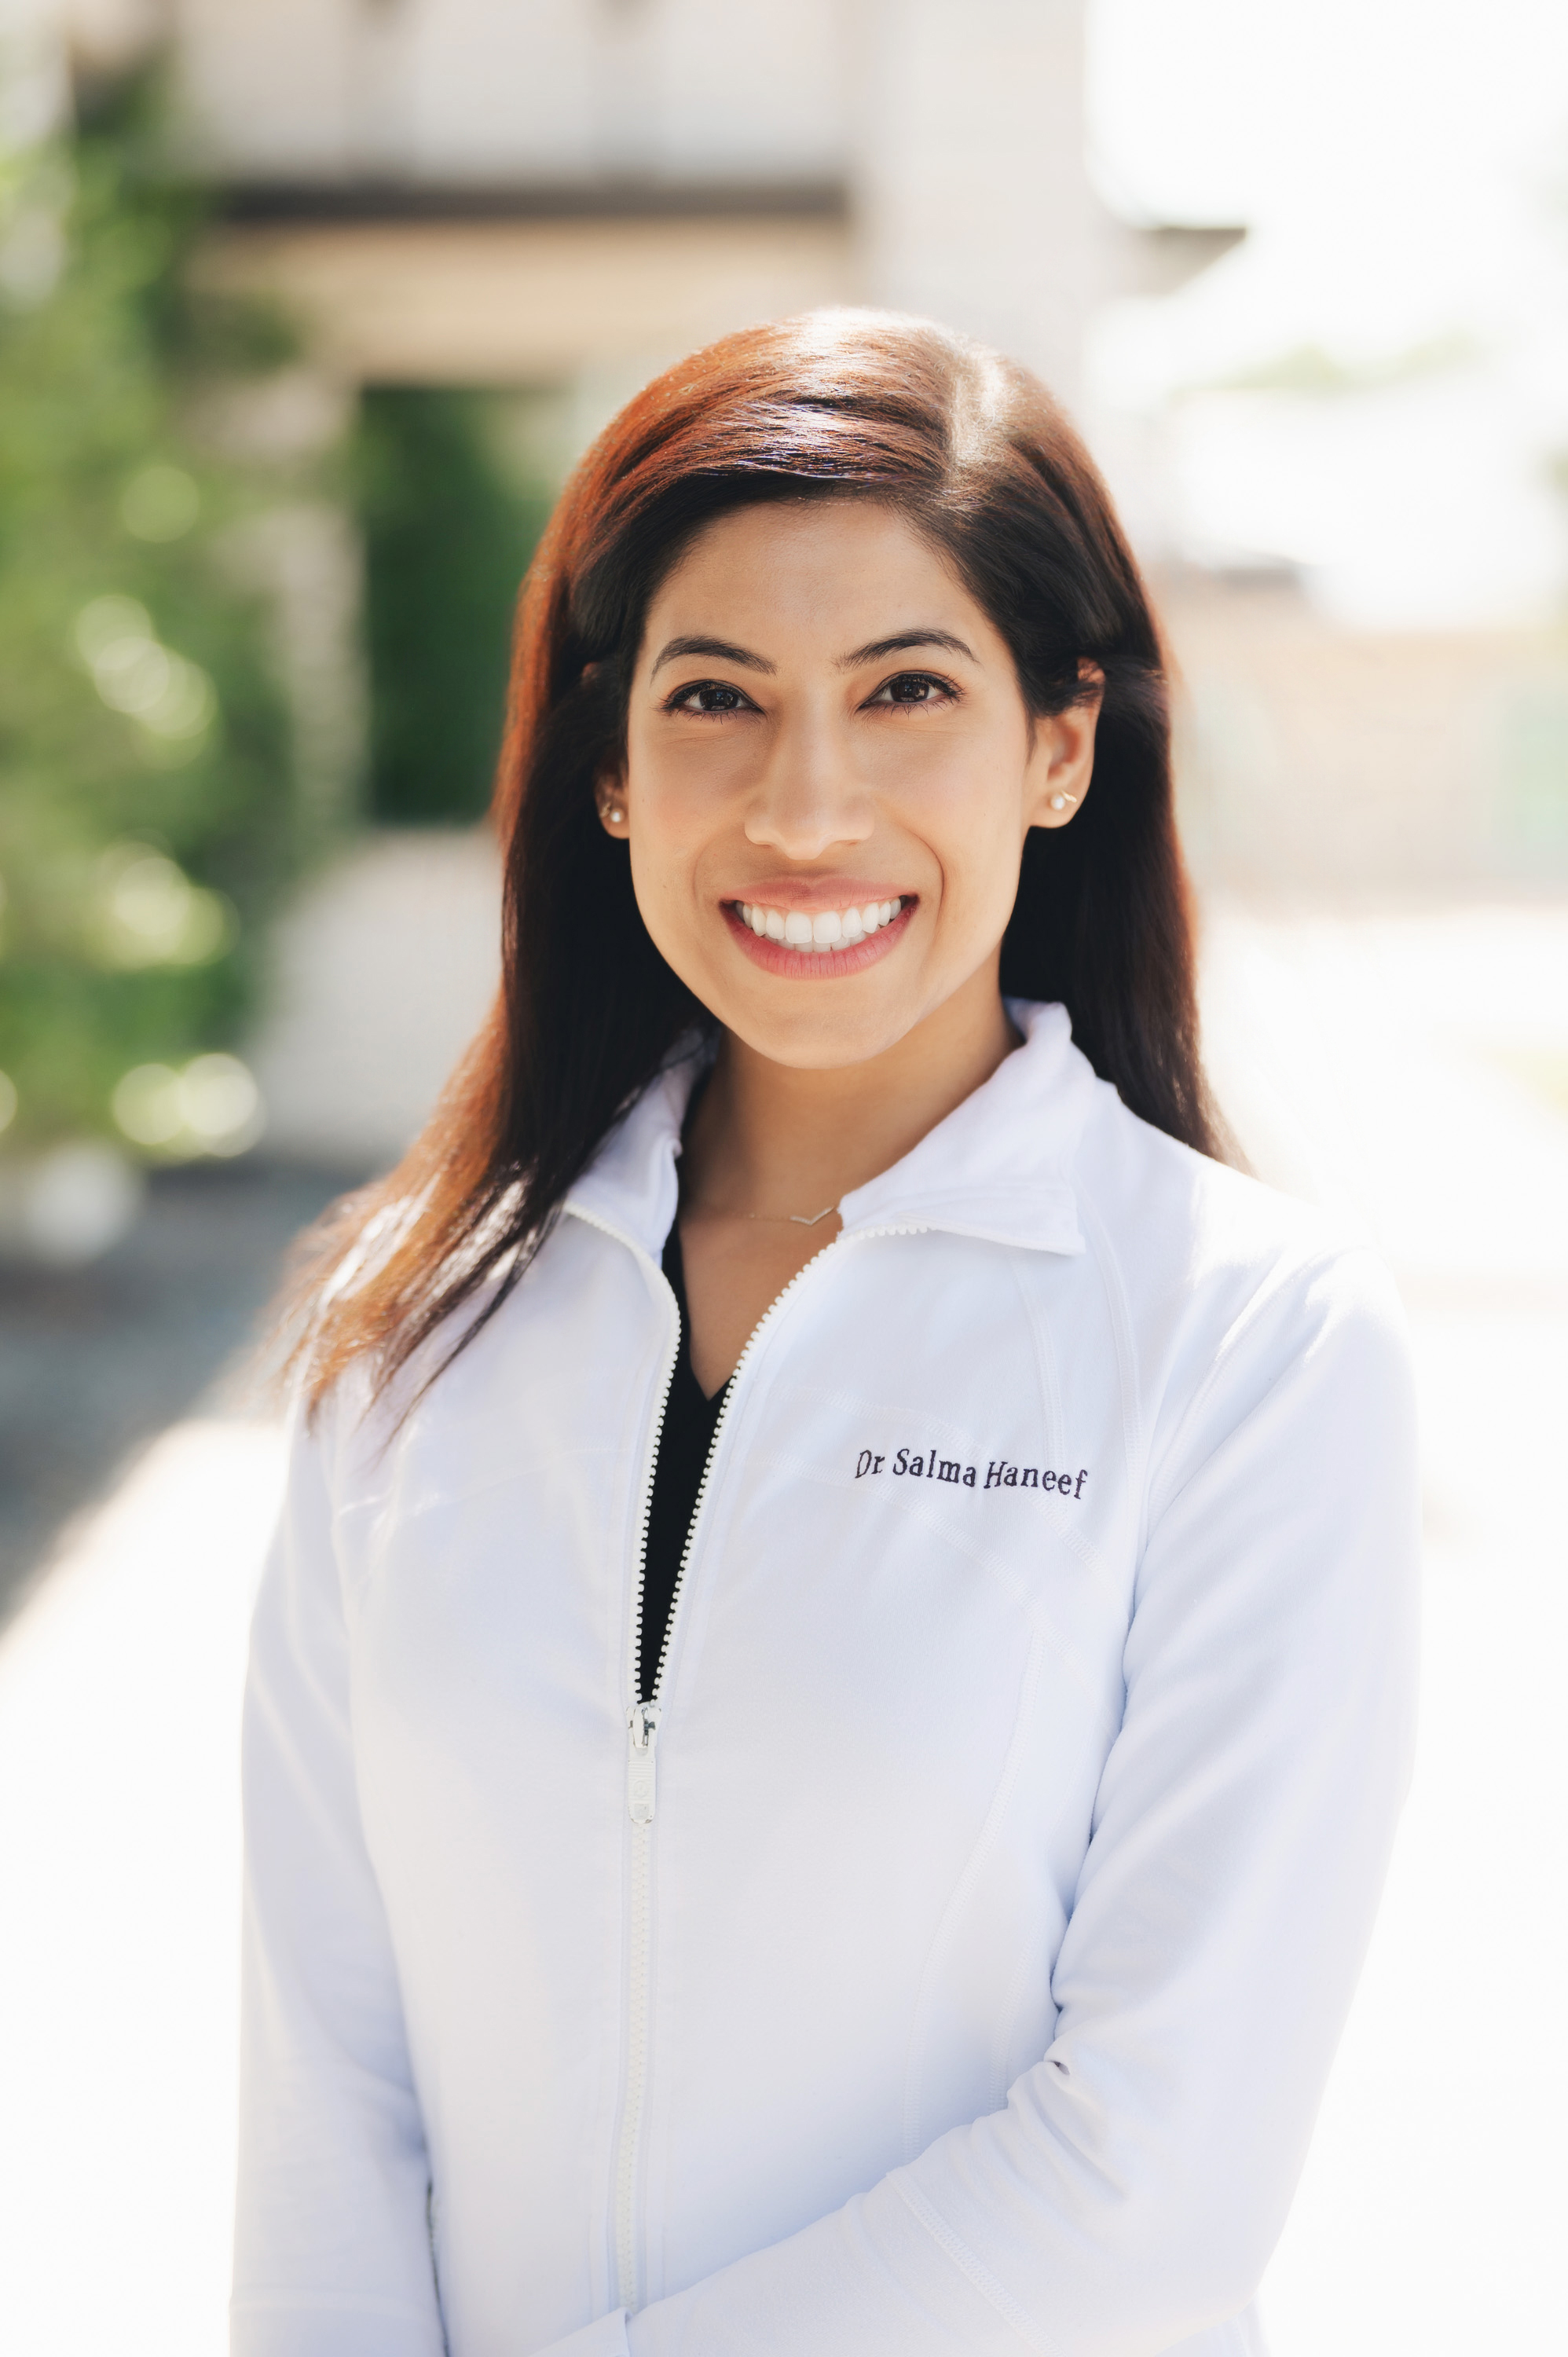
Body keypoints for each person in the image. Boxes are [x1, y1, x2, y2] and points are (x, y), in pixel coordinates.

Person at [233, 312, 1419, 2357]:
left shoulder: (1245, 1346)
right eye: (717, 697)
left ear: (1058, 746)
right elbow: (324, 2080)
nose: (803, 805)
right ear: (607, 764)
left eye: (904, 692)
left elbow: (1152, 2168)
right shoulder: (411, 1327)